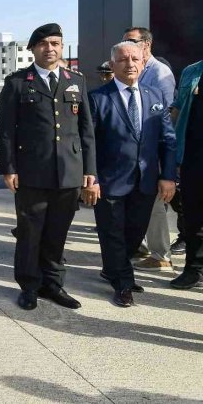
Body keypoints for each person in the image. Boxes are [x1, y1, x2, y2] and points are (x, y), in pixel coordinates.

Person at [0, 23, 96, 311]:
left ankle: (53, 284)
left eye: (55, 43)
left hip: (69, 172)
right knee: (30, 233)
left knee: (57, 233)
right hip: (32, 172)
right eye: (43, 44)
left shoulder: (76, 81)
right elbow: (6, 130)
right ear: (33, 49)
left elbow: (86, 130)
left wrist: (89, 169)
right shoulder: (18, 82)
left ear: (61, 47)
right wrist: (9, 168)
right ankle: (29, 286)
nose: (49, 48)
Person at [88, 41, 177, 307]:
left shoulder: (155, 95)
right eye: (123, 59)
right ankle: (123, 283)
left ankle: (113, 270)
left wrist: (168, 175)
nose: (130, 64)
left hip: (145, 181)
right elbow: (88, 142)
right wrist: (91, 178)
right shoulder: (97, 98)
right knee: (113, 234)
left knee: (135, 233)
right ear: (112, 65)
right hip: (109, 182)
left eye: (135, 59)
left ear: (143, 62)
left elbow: (167, 139)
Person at [122, 27, 177, 273]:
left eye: (131, 41)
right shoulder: (136, 69)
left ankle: (160, 254)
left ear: (147, 44)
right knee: (139, 202)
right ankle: (142, 246)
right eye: (124, 41)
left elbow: (165, 115)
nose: (126, 44)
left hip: (152, 150)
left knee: (155, 204)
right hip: (134, 151)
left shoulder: (159, 72)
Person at [169, 58, 203, 290]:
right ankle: (193, 269)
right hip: (193, 156)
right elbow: (178, 109)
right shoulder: (192, 71)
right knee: (193, 217)